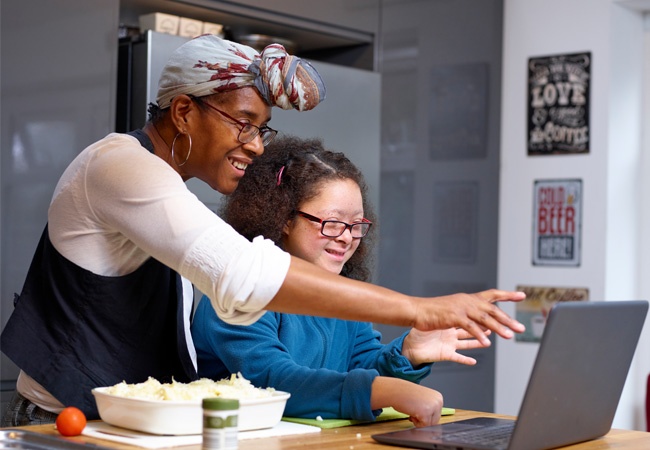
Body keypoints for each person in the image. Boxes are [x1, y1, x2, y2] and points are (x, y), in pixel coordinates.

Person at [0, 34, 524, 427]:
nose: (255, 146)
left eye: (261, 129)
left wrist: (403, 355)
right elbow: (241, 275)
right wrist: (418, 308)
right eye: (242, 123)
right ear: (184, 111)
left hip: (126, 425)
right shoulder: (117, 165)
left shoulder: (171, 192)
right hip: (62, 421)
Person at [192, 135, 490, 427]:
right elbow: (273, 383)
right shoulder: (238, 293)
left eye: (356, 225)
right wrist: (385, 391)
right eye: (332, 223)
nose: (347, 237)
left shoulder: (341, 295)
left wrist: (407, 354)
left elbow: (363, 366)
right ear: (283, 218)